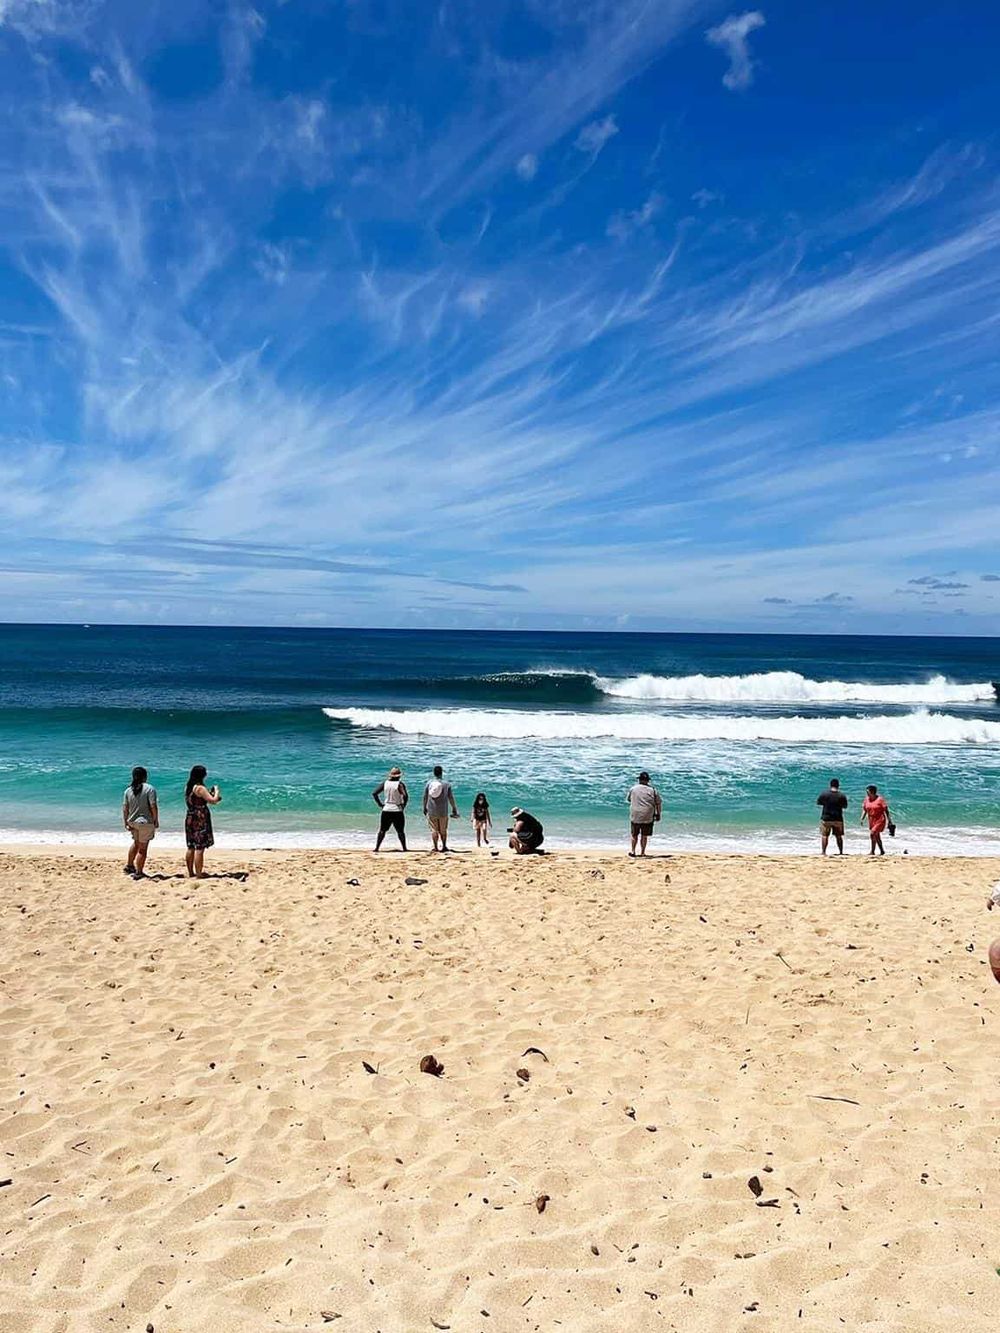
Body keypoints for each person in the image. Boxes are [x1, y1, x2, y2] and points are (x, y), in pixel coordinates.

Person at [185, 764, 222, 878]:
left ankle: (191, 872)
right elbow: (213, 801)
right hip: (200, 817)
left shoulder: (189, 787)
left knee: (191, 846)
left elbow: (197, 800)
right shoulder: (200, 788)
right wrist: (216, 791)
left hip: (190, 816)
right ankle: (199, 874)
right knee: (199, 847)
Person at [122, 765, 158, 878]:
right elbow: (153, 806)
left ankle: (129, 865)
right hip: (145, 822)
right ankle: (139, 872)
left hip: (132, 821)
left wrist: (126, 822)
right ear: (145, 776)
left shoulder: (128, 790)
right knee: (143, 849)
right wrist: (156, 820)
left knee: (136, 843)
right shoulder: (149, 789)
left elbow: (125, 808)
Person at [423, 764, 459, 852]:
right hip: (443, 811)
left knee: (434, 830)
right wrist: (454, 808)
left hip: (432, 810)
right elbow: (450, 797)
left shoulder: (429, 783)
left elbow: (425, 797)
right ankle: (444, 847)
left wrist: (424, 807)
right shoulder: (446, 784)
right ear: (441, 773)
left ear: (434, 773)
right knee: (443, 830)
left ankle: (435, 847)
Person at [626, 770, 662, 857]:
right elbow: (658, 803)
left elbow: (628, 799)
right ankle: (642, 852)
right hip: (648, 815)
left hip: (635, 815)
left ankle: (633, 851)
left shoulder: (633, 789)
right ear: (648, 781)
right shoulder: (653, 790)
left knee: (634, 835)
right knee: (644, 835)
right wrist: (658, 814)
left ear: (639, 780)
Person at [373, 766, 408, 851]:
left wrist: (380, 804)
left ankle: (377, 848)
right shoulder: (399, 784)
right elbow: (405, 795)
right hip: (397, 809)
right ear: (399, 776)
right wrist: (403, 805)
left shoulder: (385, 783)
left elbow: (374, 793)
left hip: (386, 809)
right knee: (400, 831)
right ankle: (404, 848)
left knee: (382, 830)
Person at [816, 777, 848, 855]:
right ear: (838, 785)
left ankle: (823, 852)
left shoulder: (824, 794)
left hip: (826, 818)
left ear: (830, 785)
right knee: (839, 836)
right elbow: (845, 806)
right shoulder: (842, 795)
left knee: (824, 836)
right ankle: (840, 852)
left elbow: (818, 802)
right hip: (838, 818)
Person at [861, 784, 890, 856]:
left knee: (872, 833)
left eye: (868, 792)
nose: (867, 793)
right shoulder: (866, 799)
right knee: (876, 836)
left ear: (872, 792)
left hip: (880, 819)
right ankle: (882, 851)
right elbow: (865, 809)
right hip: (871, 820)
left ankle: (872, 851)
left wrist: (889, 820)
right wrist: (862, 818)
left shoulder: (880, 799)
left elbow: (886, 810)